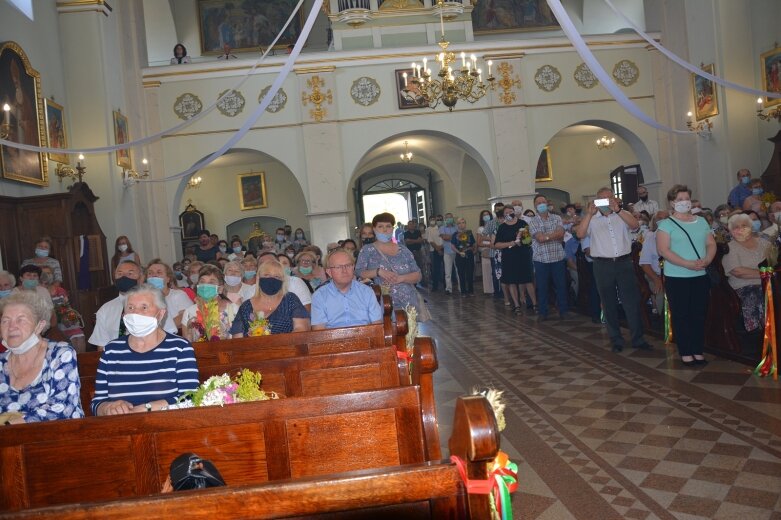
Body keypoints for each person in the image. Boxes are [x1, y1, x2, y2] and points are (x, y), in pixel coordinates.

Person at [91, 284, 199, 416]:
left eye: (144, 307)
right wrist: (108, 407)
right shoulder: (111, 351)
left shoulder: (180, 348)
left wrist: (147, 408)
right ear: (123, 314)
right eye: (130, 307)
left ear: (161, 313)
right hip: (122, 427)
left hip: (167, 424)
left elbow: (191, 396)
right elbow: (97, 403)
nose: (136, 313)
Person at [576, 188, 652, 352]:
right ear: (596, 201)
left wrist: (617, 210)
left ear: (615, 199)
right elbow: (580, 234)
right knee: (608, 302)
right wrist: (589, 214)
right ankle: (616, 339)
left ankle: (638, 338)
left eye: (609, 198)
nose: (606, 202)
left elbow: (634, 225)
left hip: (624, 262)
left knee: (631, 302)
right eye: (602, 199)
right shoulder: (592, 219)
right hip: (602, 265)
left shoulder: (623, 214)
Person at [0, 291, 83, 424]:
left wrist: (10, 422)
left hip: (55, 439)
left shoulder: (59, 354)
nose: (11, 327)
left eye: (20, 320)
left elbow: (62, 409)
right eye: (5, 320)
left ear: (40, 326)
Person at [656, 185, 716, 366]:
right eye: (680, 199)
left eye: (686, 198)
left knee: (698, 313)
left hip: (700, 274)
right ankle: (686, 352)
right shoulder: (666, 224)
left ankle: (698, 350)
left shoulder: (701, 221)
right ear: (672, 203)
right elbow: (664, 250)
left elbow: (711, 244)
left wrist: (707, 260)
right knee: (682, 314)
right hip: (677, 276)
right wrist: (688, 264)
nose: (684, 202)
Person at [88, 261, 178, 349]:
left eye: (130, 273)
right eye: (120, 274)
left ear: (142, 277)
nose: (124, 277)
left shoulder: (155, 304)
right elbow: (101, 345)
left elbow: (169, 335)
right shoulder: (105, 309)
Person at [356, 212, 423, 312]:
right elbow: (358, 272)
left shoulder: (403, 250)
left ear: (392, 228)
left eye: (388, 226)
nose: (384, 229)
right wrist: (378, 271)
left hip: (409, 304)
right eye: (380, 226)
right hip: (383, 304)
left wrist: (401, 278)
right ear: (374, 229)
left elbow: (418, 275)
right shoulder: (367, 250)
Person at [230, 260, 310, 336]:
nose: (271, 279)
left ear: (283, 280)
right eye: (266, 275)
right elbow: (237, 338)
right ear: (258, 278)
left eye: (277, 276)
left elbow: (301, 330)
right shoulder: (246, 307)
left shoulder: (290, 300)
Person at [722, 213, 771, 332]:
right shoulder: (730, 247)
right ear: (731, 231)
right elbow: (738, 272)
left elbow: (773, 264)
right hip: (743, 286)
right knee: (759, 294)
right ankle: (759, 333)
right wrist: (765, 273)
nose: (740, 229)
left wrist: (768, 274)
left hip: (768, 283)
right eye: (736, 227)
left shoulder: (765, 243)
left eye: (744, 225)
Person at [311, 249, 383, 329]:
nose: (344, 270)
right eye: (338, 267)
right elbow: (319, 334)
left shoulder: (367, 292)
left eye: (348, 265)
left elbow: (378, 327)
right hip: (333, 340)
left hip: (364, 338)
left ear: (353, 267)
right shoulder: (319, 296)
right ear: (329, 272)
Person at [528, 195, 568, 321]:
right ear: (535, 206)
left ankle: (563, 311)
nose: (541, 204)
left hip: (558, 257)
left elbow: (561, 234)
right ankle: (543, 312)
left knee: (561, 285)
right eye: (538, 203)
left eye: (543, 202)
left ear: (547, 203)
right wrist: (553, 235)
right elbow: (539, 238)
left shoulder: (556, 218)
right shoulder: (533, 221)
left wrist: (546, 236)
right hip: (541, 259)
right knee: (542, 287)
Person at [493, 205, 535, 314]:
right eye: (506, 213)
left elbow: (529, 239)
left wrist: (523, 241)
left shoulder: (522, 224)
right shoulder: (502, 227)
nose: (509, 214)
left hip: (523, 255)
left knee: (527, 280)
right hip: (509, 257)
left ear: (514, 212)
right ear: (503, 215)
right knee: (511, 281)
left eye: (510, 212)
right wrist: (510, 243)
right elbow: (497, 244)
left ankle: (535, 304)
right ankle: (516, 305)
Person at [182, 265, 240, 342]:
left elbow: (239, 340)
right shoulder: (189, 312)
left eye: (211, 282)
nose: (205, 285)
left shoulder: (233, 309)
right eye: (202, 281)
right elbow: (187, 343)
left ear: (220, 289)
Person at [39, 265, 86, 352]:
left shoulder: (60, 290)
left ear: (53, 275)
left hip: (65, 321)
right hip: (50, 323)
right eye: (44, 273)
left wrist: (72, 318)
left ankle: (80, 362)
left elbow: (67, 308)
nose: (46, 275)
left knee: (79, 336)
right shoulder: (39, 291)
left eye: (49, 273)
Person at [146, 259, 192, 330]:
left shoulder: (178, 295)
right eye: (150, 273)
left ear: (168, 278)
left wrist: (160, 330)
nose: (154, 275)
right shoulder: (144, 299)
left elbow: (186, 316)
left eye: (159, 272)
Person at [639, 211, 669, 315]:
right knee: (661, 292)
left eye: (666, 217)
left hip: (673, 274)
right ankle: (663, 321)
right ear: (654, 221)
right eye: (660, 218)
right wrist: (657, 279)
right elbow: (645, 264)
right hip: (654, 274)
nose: (663, 220)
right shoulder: (650, 237)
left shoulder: (676, 236)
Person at [481, 203, 505, 298]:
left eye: (501, 209)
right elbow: (483, 236)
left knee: (507, 272)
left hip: (507, 252)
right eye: (497, 209)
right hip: (494, 252)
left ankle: (507, 293)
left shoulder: (508, 220)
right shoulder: (491, 223)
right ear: (494, 211)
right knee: (496, 273)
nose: (499, 210)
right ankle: (497, 293)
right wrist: (492, 240)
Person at [451, 217, 476, 296]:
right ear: (457, 225)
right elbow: (452, 246)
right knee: (461, 274)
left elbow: (473, 243)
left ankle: (471, 291)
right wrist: (459, 252)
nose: (462, 224)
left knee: (470, 273)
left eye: (463, 222)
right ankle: (463, 292)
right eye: (459, 223)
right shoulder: (455, 235)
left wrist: (473, 249)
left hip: (469, 254)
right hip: (459, 255)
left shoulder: (469, 232)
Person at [439, 213, 459, 294]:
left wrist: (451, 237)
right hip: (447, 252)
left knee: (458, 271)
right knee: (448, 272)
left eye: (450, 218)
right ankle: (448, 289)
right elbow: (444, 237)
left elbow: (460, 237)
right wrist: (455, 237)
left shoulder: (456, 227)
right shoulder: (442, 228)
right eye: (447, 218)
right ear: (445, 219)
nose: (449, 219)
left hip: (457, 252)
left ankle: (461, 288)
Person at [425, 218, 444, 291]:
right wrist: (438, 248)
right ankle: (435, 286)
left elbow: (446, 239)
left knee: (445, 268)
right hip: (434, 250)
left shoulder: (444, 229)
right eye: (438, 219)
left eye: (440, 219)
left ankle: (446, 285)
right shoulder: (431, 230)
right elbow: (430, 240)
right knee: (435, 269)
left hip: (444, 249)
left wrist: (441, 247)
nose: (439, 220)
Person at [403, 220, 425, 284]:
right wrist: (416, 240)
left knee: (420, 266)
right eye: (409, 224)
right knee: (411, 268)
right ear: (408, 226)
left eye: (412, 224)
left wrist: (411, 240)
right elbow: (407, 242)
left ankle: (422, 281)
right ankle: (414, 282)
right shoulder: (406, 233)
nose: (411, 225)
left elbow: (420, 241)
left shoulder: (418, 232)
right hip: (410, 253)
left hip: (418, 251)